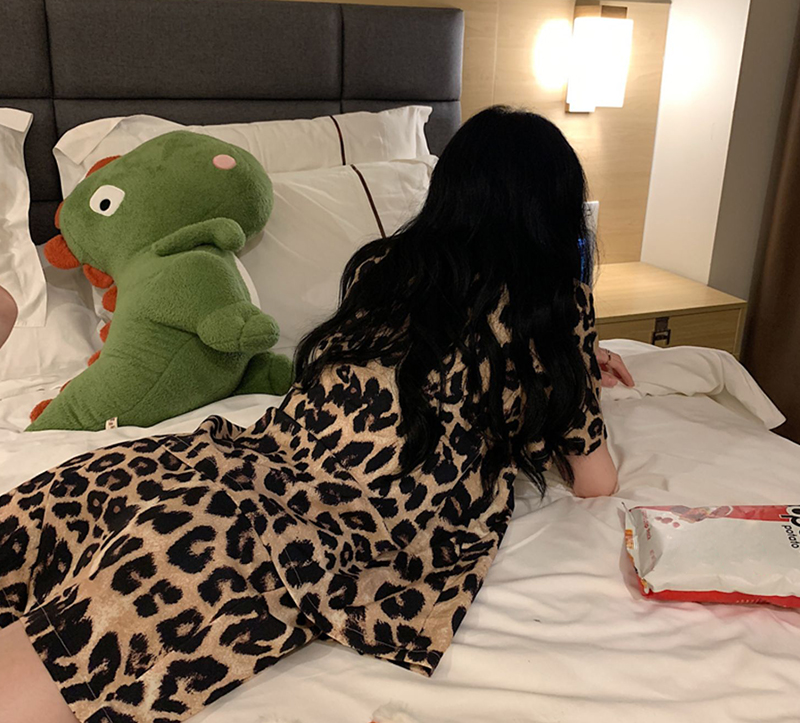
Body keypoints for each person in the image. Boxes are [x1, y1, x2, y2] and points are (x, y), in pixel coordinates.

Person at [0, 106, 633, 723]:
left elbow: (441, 346)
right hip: (360, 521)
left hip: (264, 455)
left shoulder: (384, 266)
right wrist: (568, 367)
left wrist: (570, 357)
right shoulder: (554, 308)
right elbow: (595, 480)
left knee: (88, 501)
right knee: (138, 600)